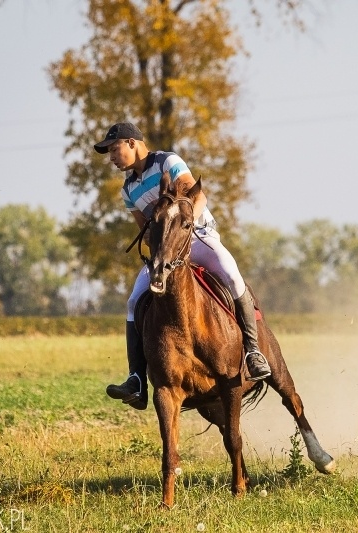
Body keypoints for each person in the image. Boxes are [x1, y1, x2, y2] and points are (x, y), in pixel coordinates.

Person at [94, 122, 272, 410]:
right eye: (109, 152)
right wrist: (162, 253)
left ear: (132, 143)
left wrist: (184, 228)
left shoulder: (168, 160)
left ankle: (253, 352)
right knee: (133, 302)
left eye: (114, 149)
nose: (111, 157)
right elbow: (146, 230)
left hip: (198, 237)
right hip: (166, 252)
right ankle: (137, 379)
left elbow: (198, 196)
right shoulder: (128, 189)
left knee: (232, 276)